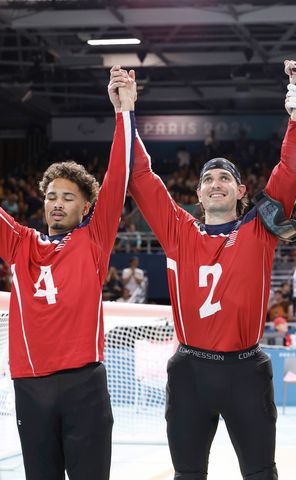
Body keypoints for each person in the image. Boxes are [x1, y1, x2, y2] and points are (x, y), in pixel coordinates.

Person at [117, 61, 296, 479]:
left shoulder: (260, 227)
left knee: (261, 472)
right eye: (208, 179)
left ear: (241, 191)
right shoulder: (178, 230)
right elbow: (140, 175)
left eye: (225, 177)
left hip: (246, 370)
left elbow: (292, 169)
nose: (216, 182)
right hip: (190, 370)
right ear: (199, 192)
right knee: (187, 475)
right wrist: (127, 110)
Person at [0, 64, 135, 480]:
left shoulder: (93, 240)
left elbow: (119, 176)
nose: (57, 204)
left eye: (68, 198)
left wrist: (124, 112)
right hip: (30, 384)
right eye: (51, 196)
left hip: (83, 384)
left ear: (86, 207)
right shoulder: (20, 243)